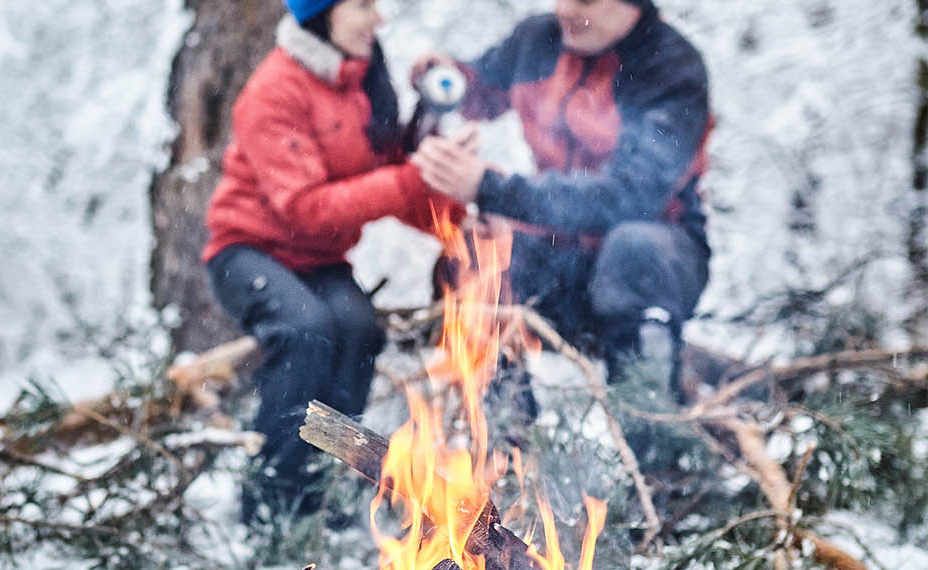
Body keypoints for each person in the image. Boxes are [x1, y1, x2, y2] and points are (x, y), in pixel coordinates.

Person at [205, 0, 462, 523]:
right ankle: (273, 501)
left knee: (358, 329)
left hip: (317, 257)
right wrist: (411, 179)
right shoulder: (273, 91)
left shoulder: (362, 81)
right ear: (321, 13)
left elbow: (394, 176)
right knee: (306, 330)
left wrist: (463, 221)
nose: (379, 19)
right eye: (363, 5)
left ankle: (328, 487)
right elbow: (304, 208)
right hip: (246, 250)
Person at [410, 0, 711, 384]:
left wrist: (491, 189)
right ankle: (501, 429)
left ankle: (647, 419)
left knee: (633, 247)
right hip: (562, 256)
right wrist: (449, 77)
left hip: (657, 257)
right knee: (473, 256)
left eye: (584, 0)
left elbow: (631, 196)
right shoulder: (540, 39)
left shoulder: (669, 68)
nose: (564, 9)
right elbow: (483, 87)